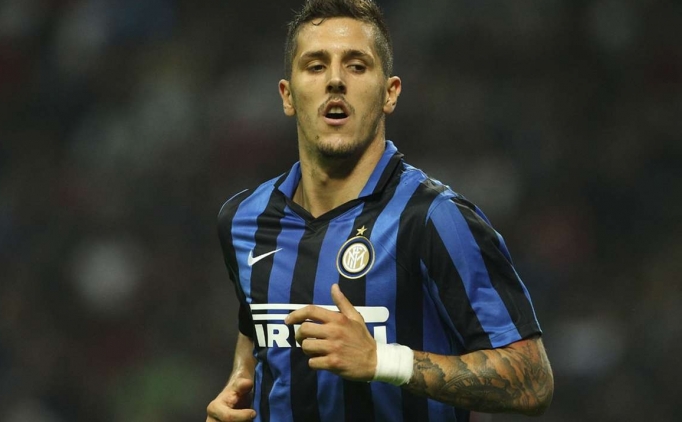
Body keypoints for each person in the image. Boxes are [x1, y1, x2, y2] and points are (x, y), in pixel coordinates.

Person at [207, 0, 554, 421]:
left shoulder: (433, 218)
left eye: (357, 66)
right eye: (315, 66)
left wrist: (382, 361)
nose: (335, 80)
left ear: (390, 93)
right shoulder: (244, 219)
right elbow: (256, 324)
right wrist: (239, 381)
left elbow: (532, 379)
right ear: (288, 95)